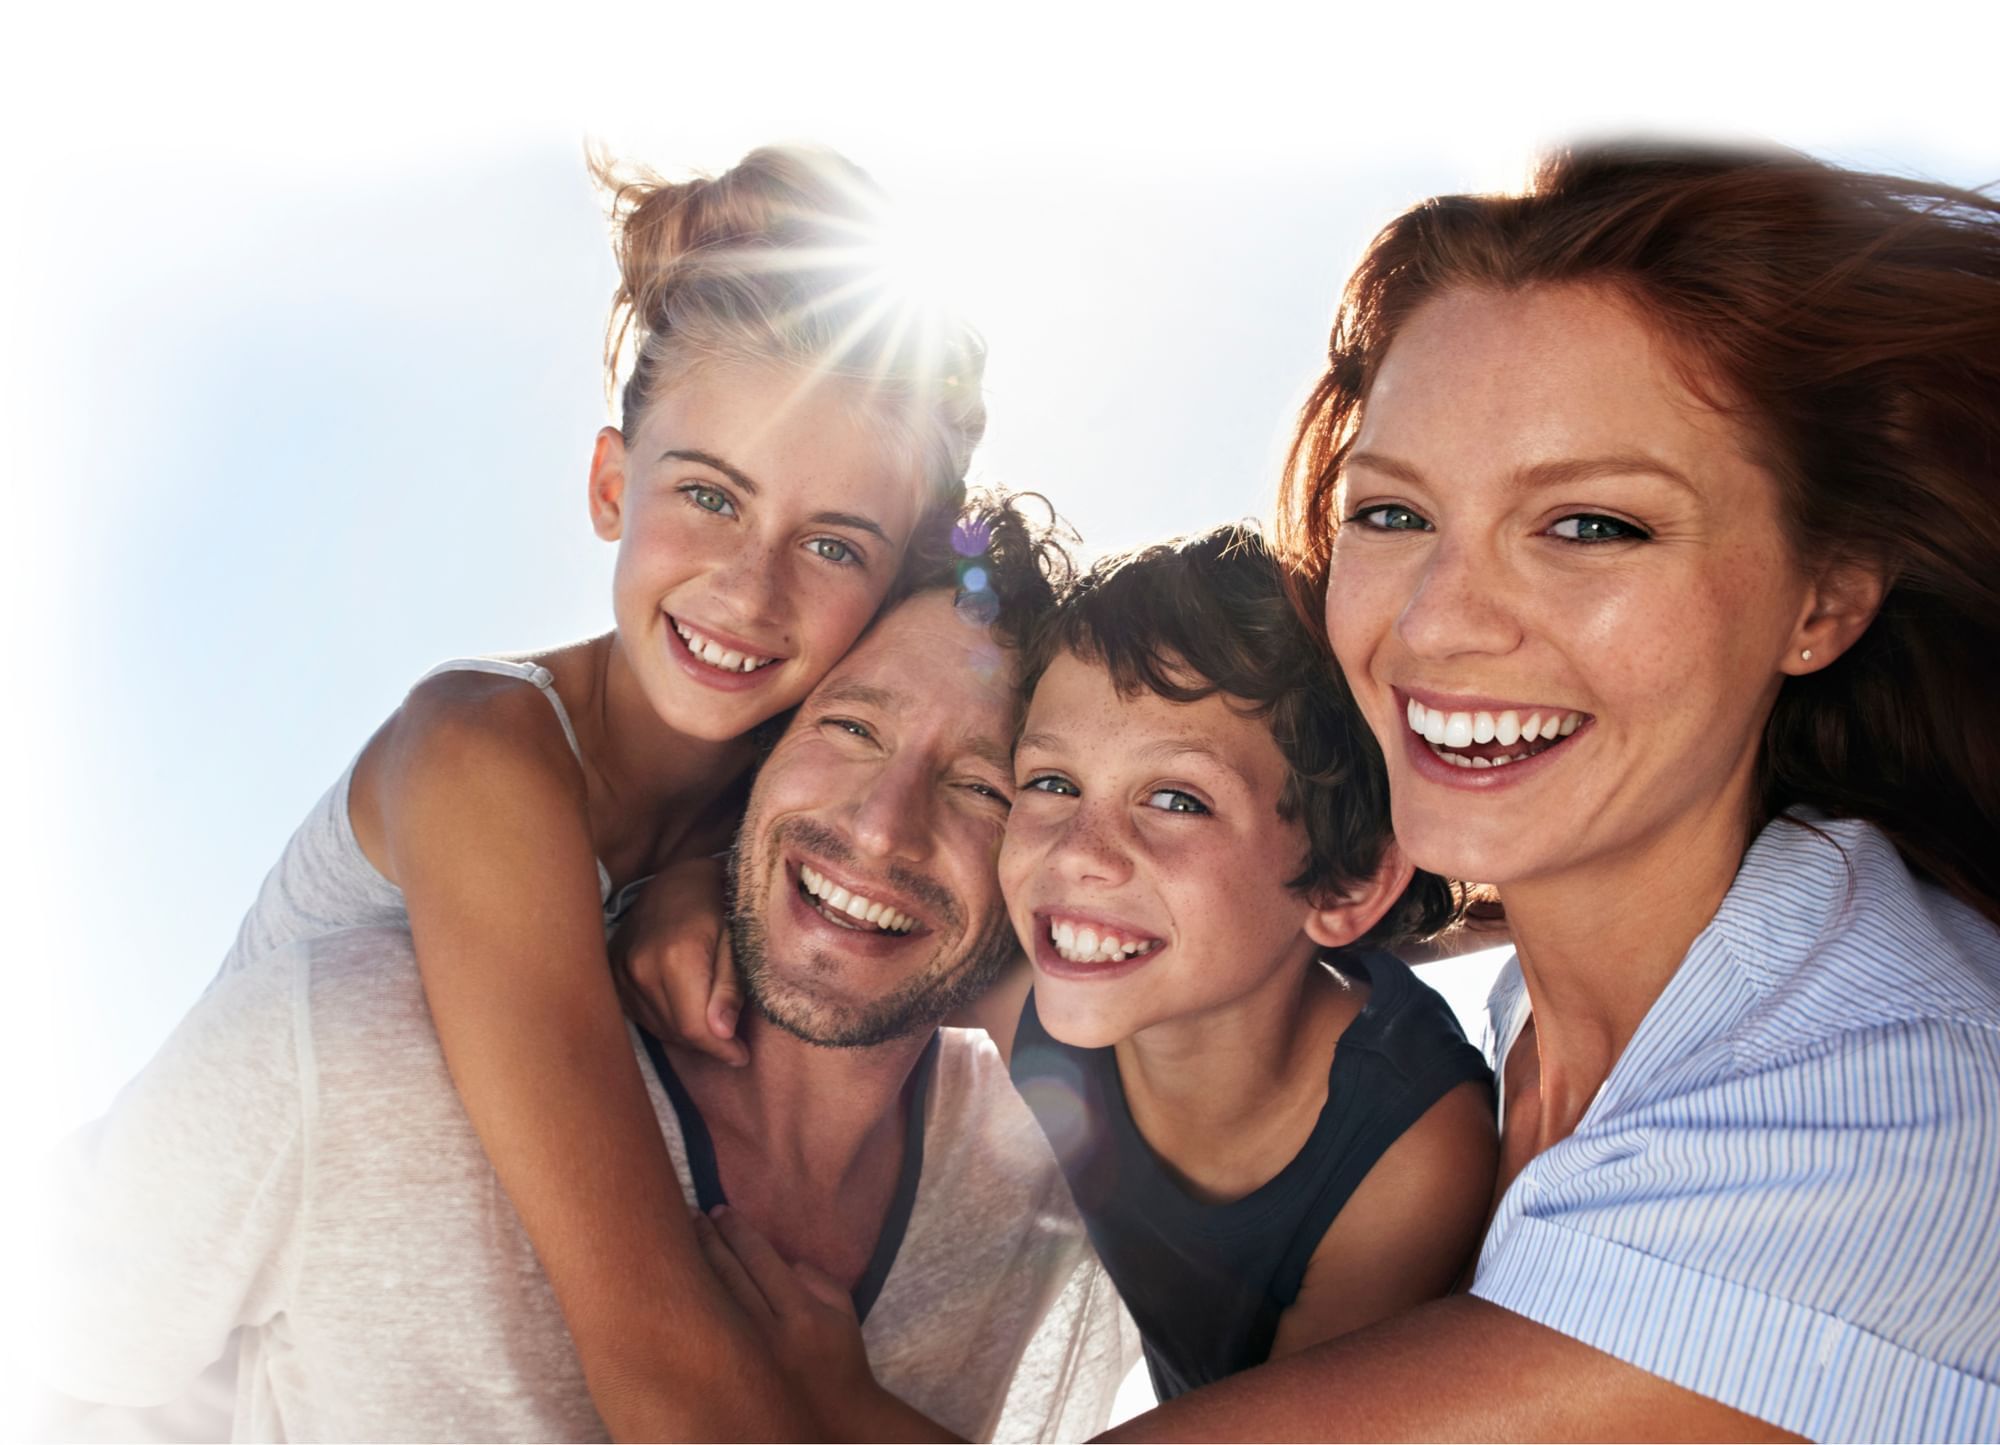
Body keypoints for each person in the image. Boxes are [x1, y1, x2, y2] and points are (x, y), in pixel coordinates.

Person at [1090, 142, 2000, 1441]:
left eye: (1589, 525)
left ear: (1825, 596)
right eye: (1393, 515)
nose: (1436, 623)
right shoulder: (1549, 1000)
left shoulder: (1882, 1104)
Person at [42, 497, 1138, 1442]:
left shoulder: (1057, 1199)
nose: (881, 825)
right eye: (850, 728)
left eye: (983, 788)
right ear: (760, 748)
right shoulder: (341, 1046)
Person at [196, 144, 988, 1438]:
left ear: (897, 585)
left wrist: (691, 879)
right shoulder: (481, 755)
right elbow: (659, 1357)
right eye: (709, 495)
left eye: (834, 543)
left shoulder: (790, 838)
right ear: (611, 484)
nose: (750, 589)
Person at [655, 526, 1497, 1431]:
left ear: (1347, 884)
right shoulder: (1053, 988)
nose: (1078, 854)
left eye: (1175, 799)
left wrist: (847, 1402)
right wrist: (686, 884)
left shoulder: (1411, 1146)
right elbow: (870, 911)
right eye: (1050, 783)